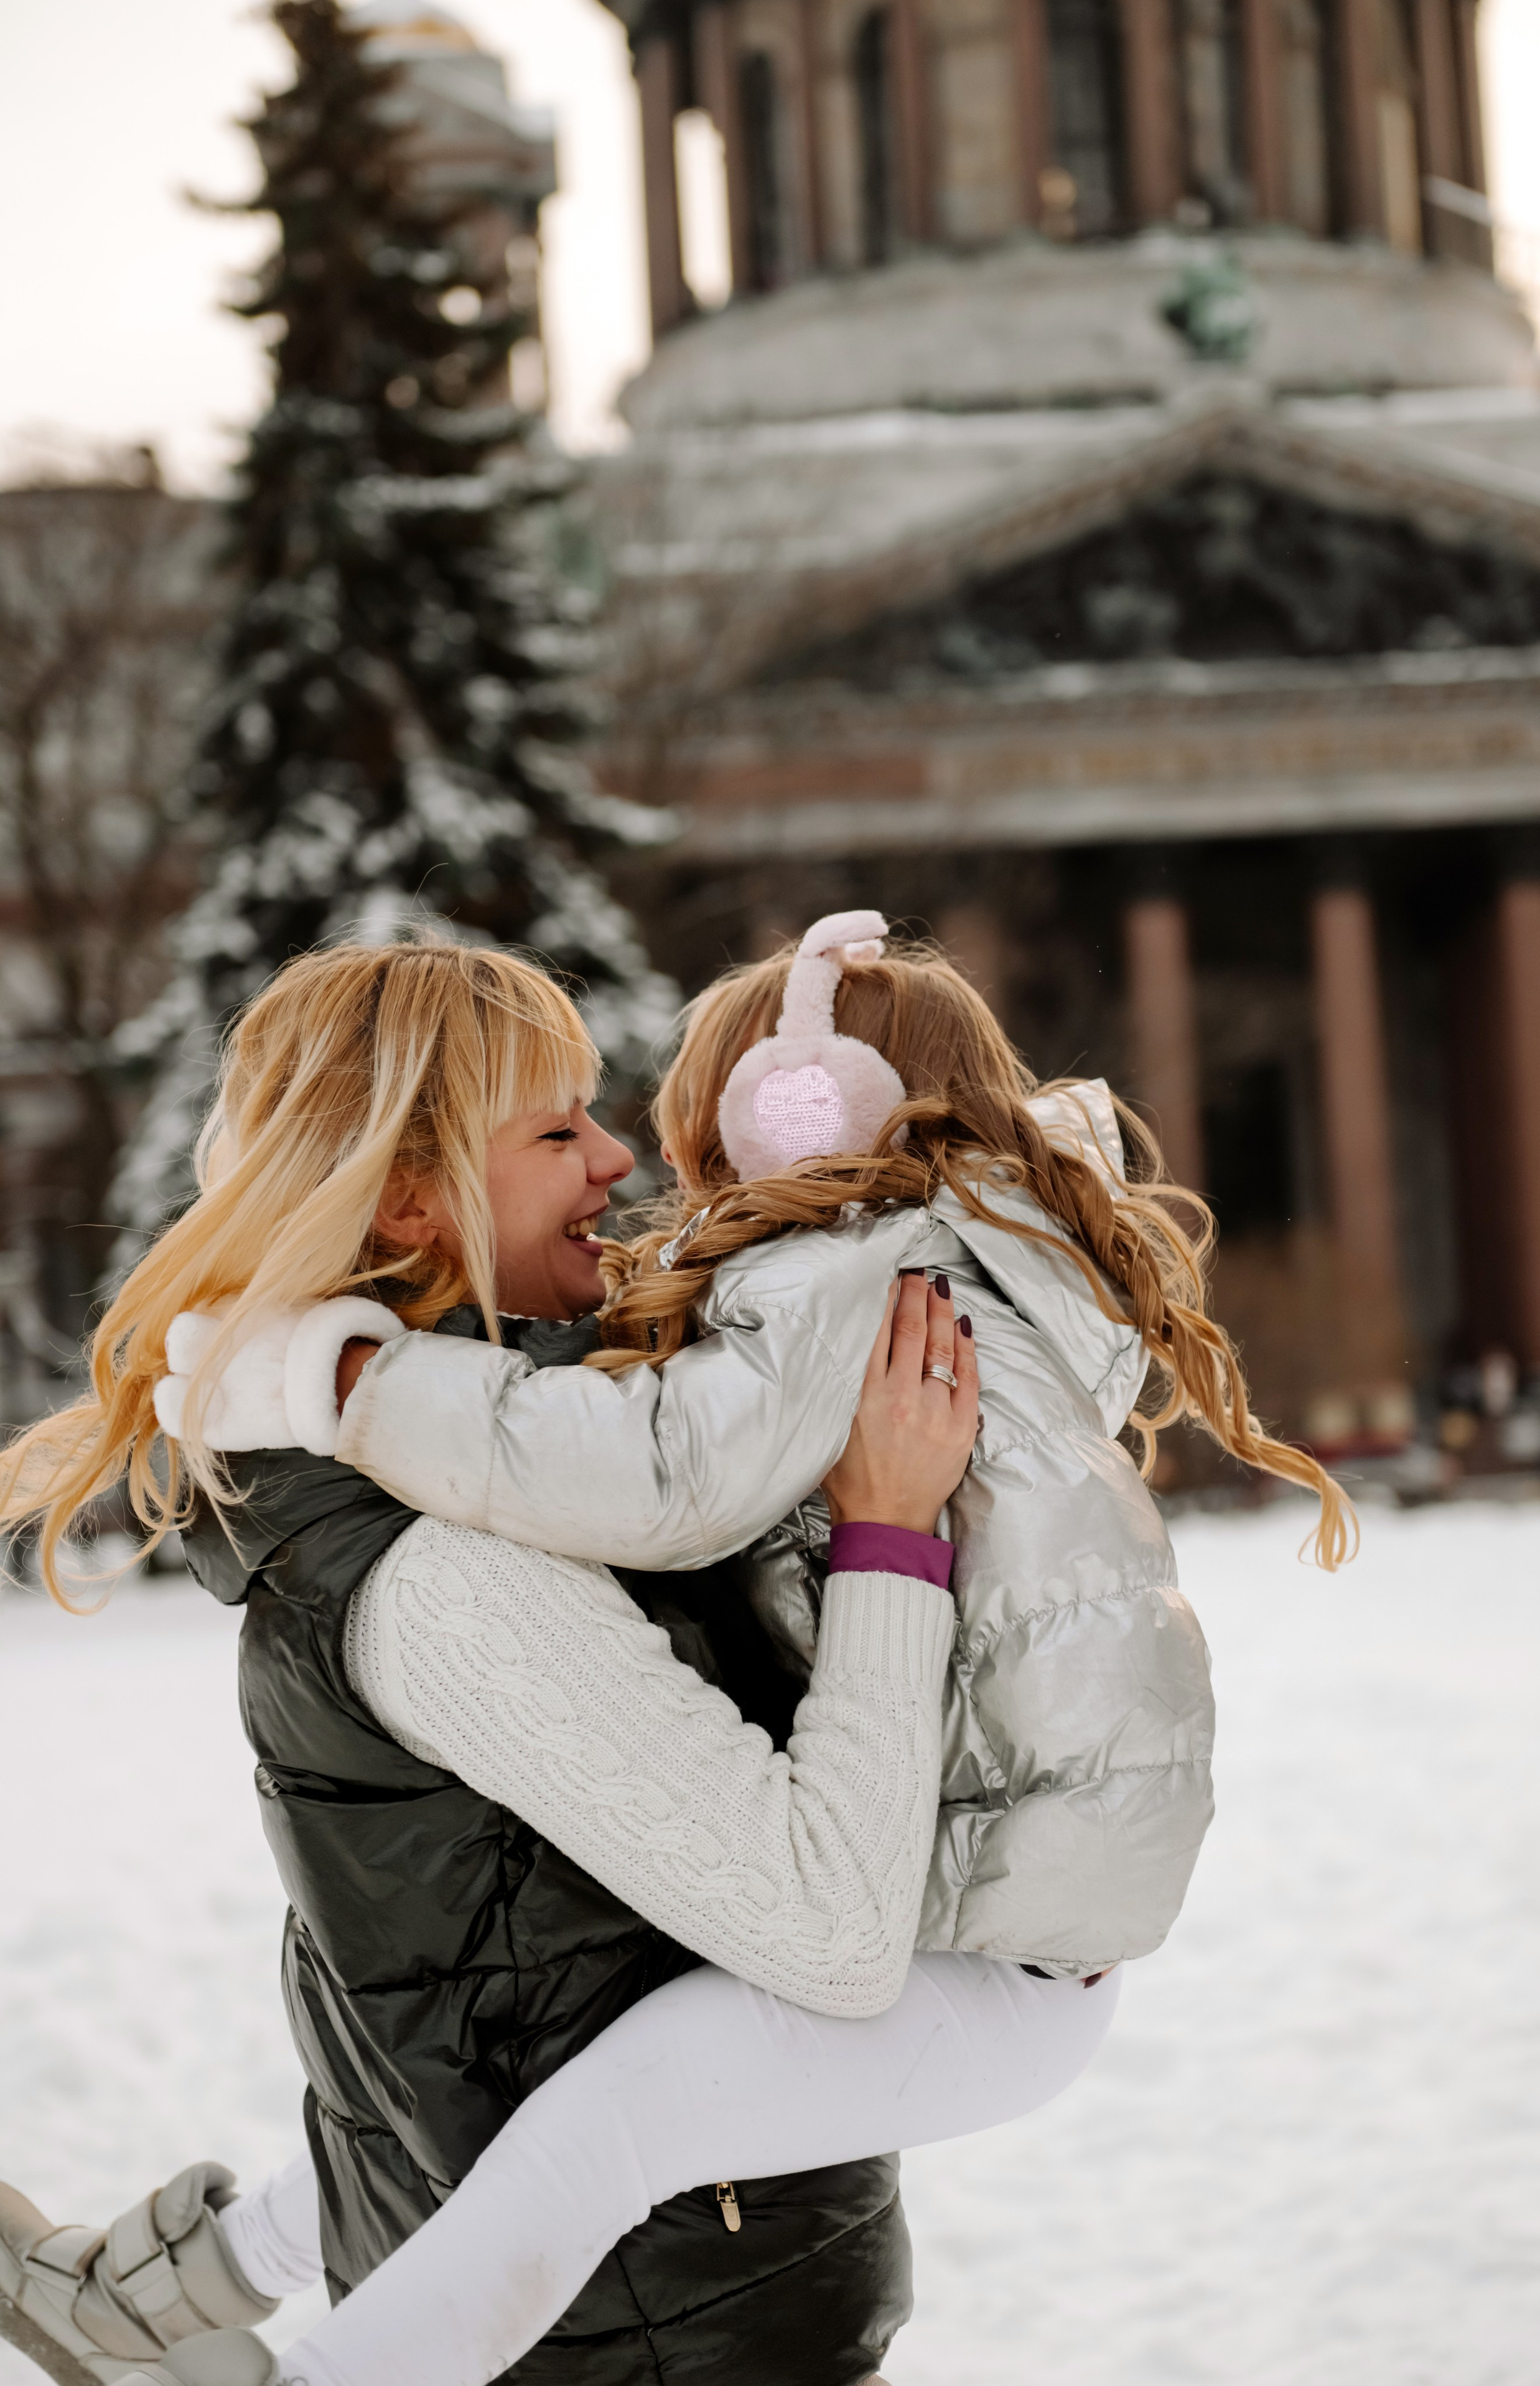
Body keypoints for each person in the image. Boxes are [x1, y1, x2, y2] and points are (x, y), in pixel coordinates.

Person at [0, 920, 1348, 2386]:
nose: (625, 1162)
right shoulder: (445, 1568)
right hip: (646, 2330)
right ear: (407, 1204)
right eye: (558, 1128)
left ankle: (158, 2295)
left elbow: (492, 2000)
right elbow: (799, 1935)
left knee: (602, 2098)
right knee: (613, 2106)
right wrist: (886, 1539)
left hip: (718, 2235)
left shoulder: (563, 1409)